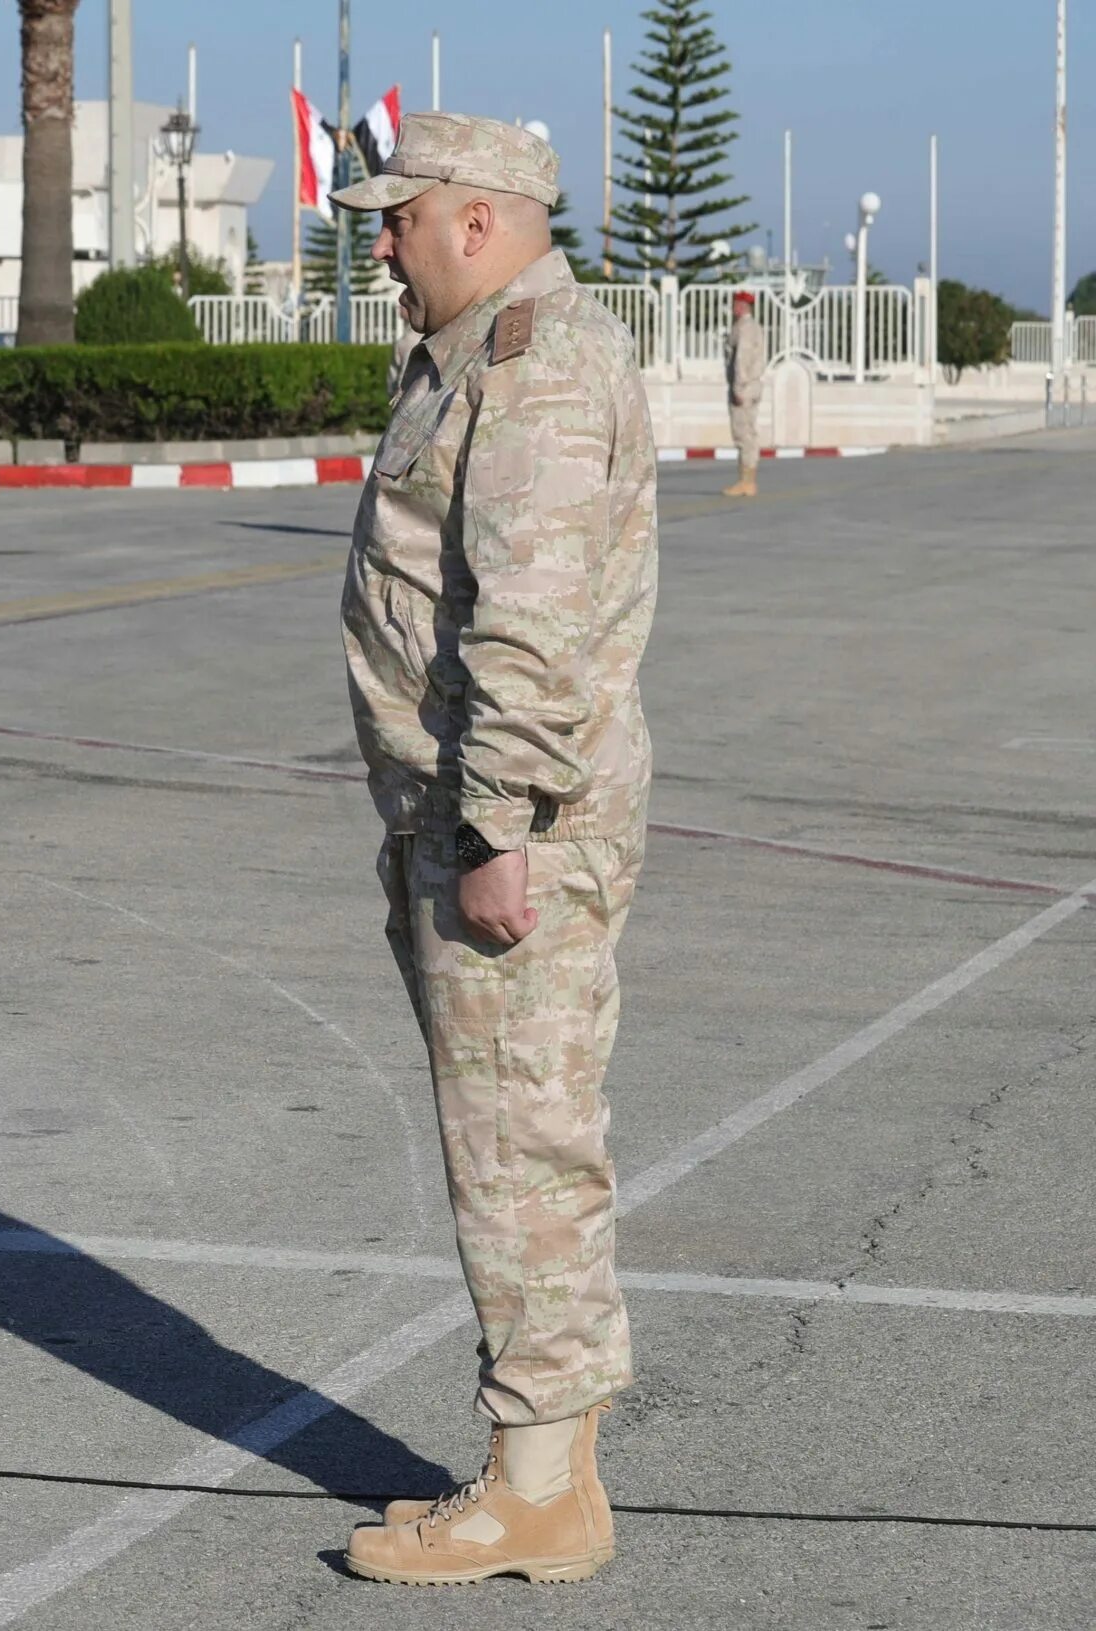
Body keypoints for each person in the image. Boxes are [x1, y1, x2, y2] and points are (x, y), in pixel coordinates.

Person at [330, 112, 658, 1588]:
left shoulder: (533, 372)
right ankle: (544, 1468)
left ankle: (539, 1496)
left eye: (399, 222)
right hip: (474, 813)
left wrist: (491, 828)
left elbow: (525, 624)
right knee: (514, 1145)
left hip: (507, 825)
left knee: (521, 1153)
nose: (379, 246)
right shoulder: (481, 355)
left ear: (477, 219)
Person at [723, 289, 766, 498]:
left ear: (742, 306)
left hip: (744, 387)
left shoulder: (745, 328)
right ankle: (748, 480)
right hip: (752, 385)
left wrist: (738, 387)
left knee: (743, 434)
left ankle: (746, 481)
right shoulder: (754, 326)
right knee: (749, 433)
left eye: (735, 304)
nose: (733, 308)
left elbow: (742, 359)